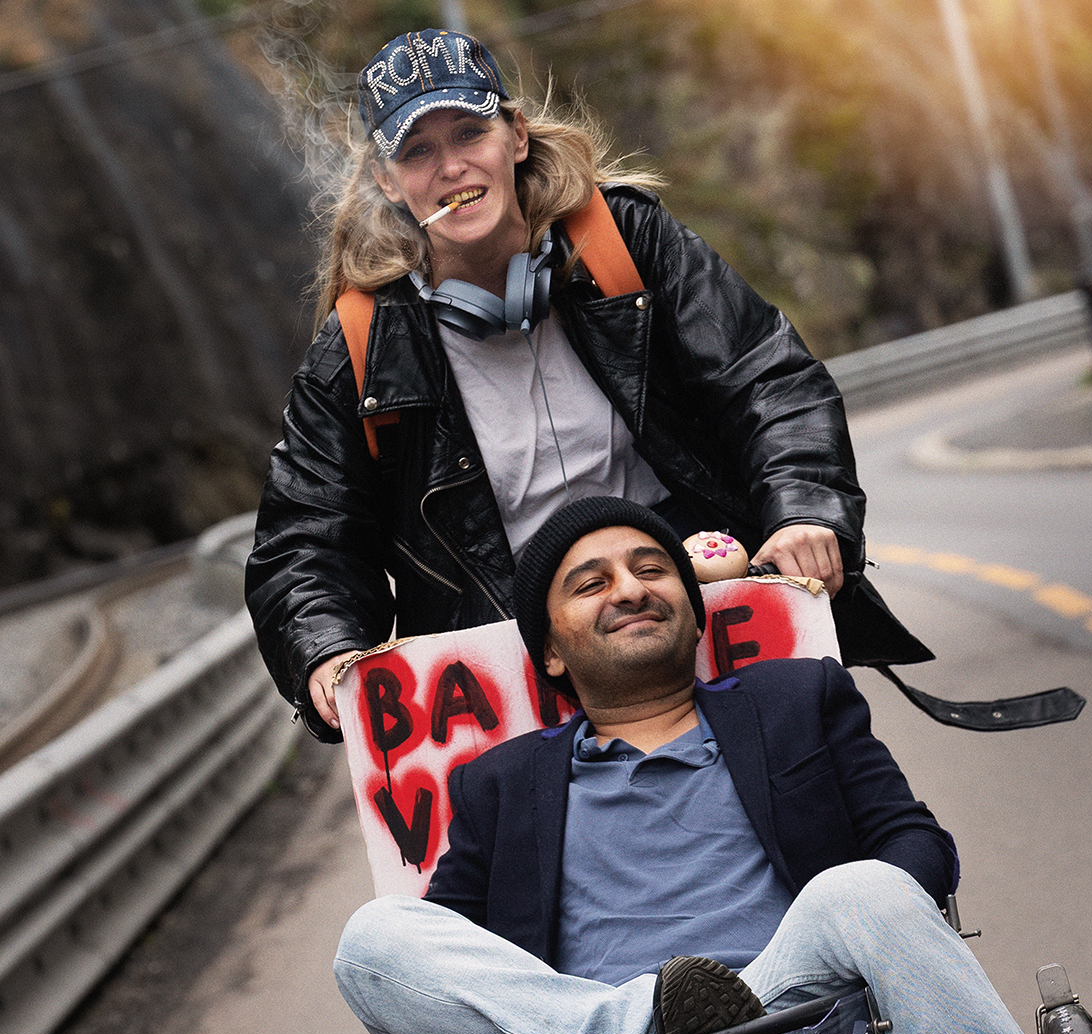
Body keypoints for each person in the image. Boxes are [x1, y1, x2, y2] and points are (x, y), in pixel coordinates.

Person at [333, 496, 1092, 1034]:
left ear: (694, 609)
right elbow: (454, 959)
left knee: (865, 886)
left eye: (651, 569)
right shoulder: (496, 783)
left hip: (791, 1024)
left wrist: (863, 932)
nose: (630, 588)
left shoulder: (795, 698)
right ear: (551, 652)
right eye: (591, 582)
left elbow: (918, 847)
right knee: (374, 939)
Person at [246, 28, 925, 744]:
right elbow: (302, 538)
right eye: (417, 151)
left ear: (513, 136)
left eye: (469, 131)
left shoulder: (626, 244)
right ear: (389, 182)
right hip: (518, 691)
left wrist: (802, 510)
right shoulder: (356, 345)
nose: (450, 166)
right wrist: (326, 649)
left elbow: (767, 378)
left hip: (694, 626)